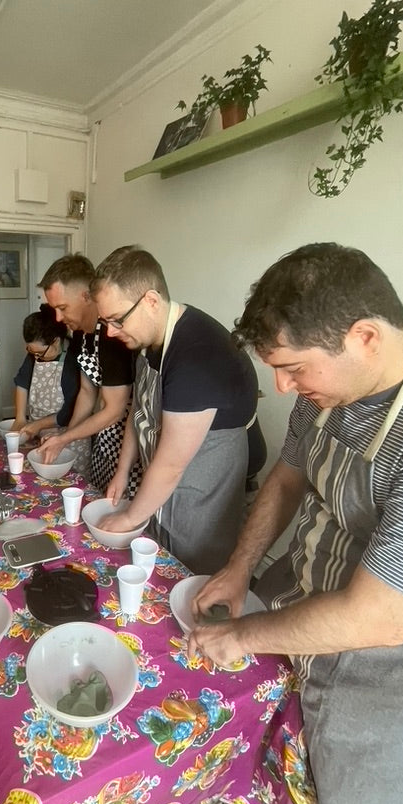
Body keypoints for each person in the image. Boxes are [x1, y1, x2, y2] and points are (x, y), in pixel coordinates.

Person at [190, 243, 403, 804]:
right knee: (291, 730)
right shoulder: (331, 390)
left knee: (373, 777)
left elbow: (380, 617)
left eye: (293, 369)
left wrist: (243, 633)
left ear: (365, 337)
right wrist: (241, 567)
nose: (281, 389)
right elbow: (286, 477)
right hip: (316, 585)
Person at [91, 246, 259, 576]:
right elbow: (138, 411)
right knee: (158, 565)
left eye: (116, 320)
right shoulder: (147, 340)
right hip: (167, 482)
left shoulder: (197, 353)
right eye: (104, 321)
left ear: (151, 301)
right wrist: (122, 472)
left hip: (204, 489)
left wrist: (127, 518)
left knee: (192, 575)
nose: (109, 331)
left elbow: (170, 465)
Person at [39, 254, 140, 494]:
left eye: (62, 308)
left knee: (119, 506)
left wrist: (66, 438)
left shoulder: (112, 336)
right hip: (103, 438)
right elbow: (87, 391)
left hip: (128, 441)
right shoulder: (80, 334)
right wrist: (67, 438)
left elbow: (114, 411)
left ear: (86, 296)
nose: (58, 318)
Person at [11, 304, 88, 470]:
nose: (36, 357)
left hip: (69, 436)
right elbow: (22, 383)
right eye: (32, 352)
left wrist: (38, 424)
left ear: (56, 342)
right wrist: (20, 418)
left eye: (40, 353)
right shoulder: (35, 355)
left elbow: (70, 411)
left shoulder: (72, 360)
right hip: (40, 434)